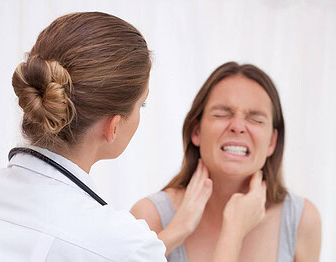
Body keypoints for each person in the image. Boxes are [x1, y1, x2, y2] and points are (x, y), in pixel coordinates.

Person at [0, 13, 267, 262]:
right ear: (113, 127)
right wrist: (235, 230)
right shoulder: (125, 244)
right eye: (141, 105)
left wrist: (175, 232)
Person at [131, 62, 322, 262]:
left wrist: (234, 229)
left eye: (256, 120)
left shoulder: (301, 220)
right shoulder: (150, 216)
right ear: (196, 131)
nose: (238, 126)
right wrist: (226, 232)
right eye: (222, 114)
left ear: (272, 142)